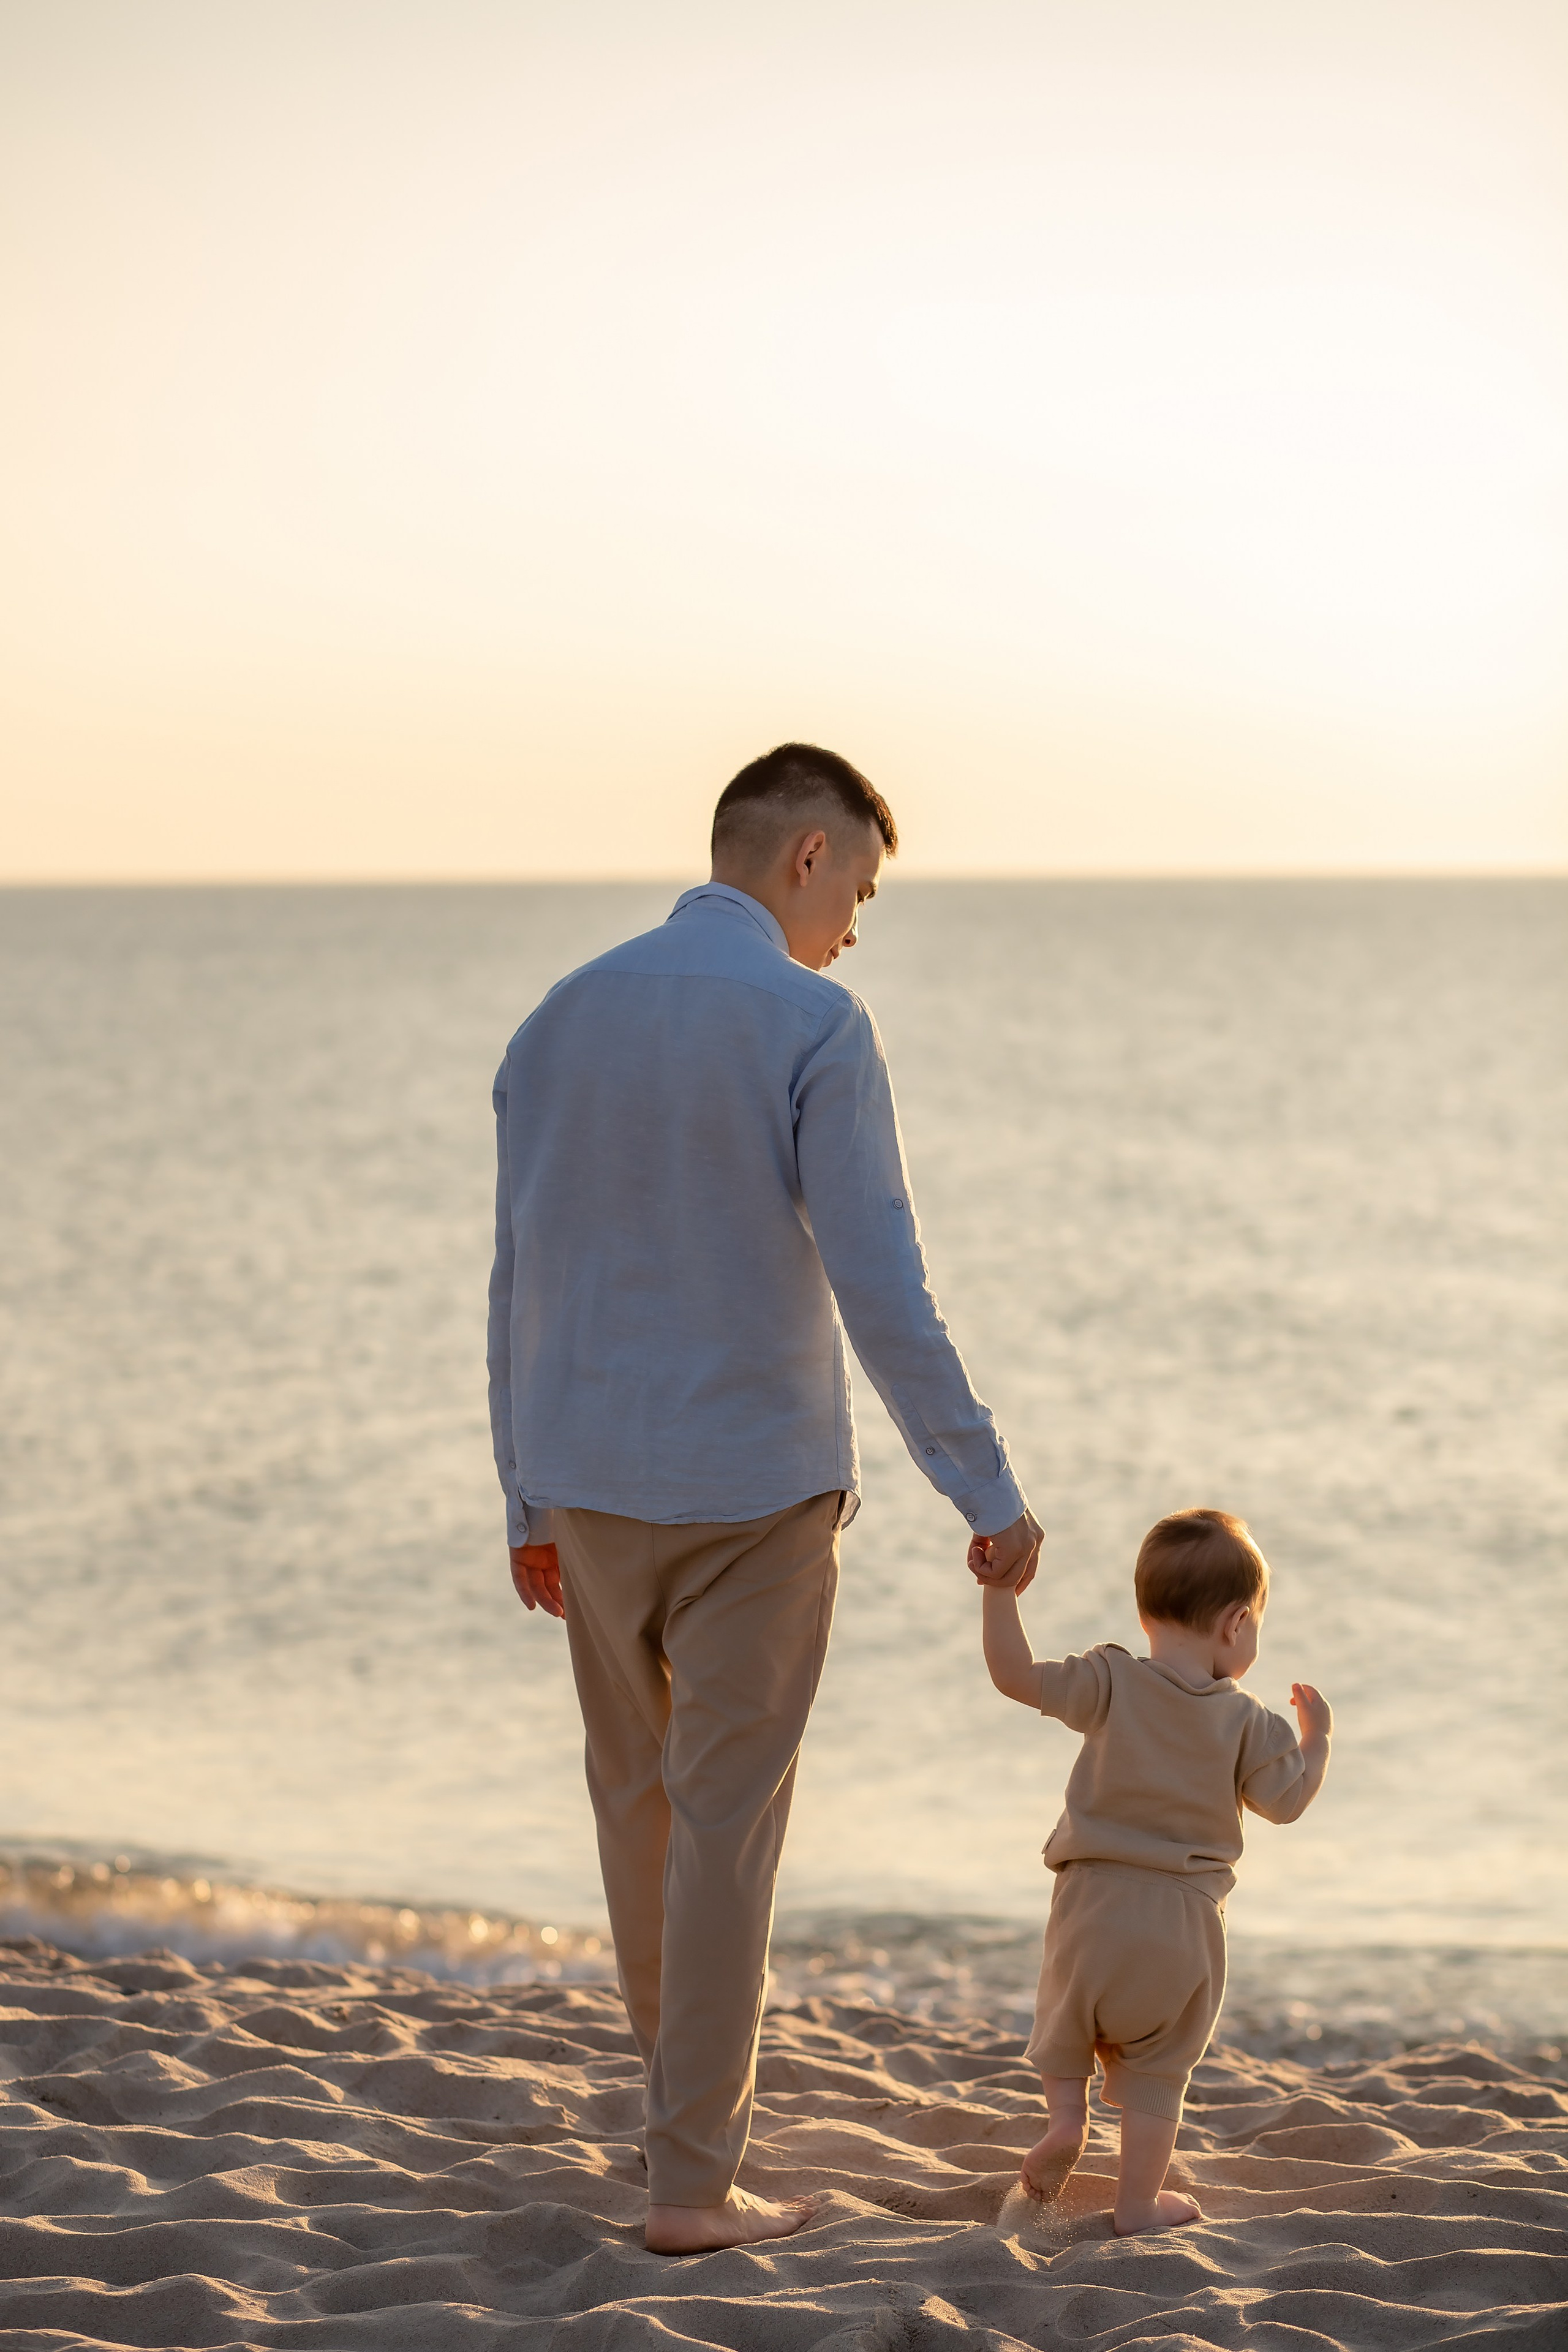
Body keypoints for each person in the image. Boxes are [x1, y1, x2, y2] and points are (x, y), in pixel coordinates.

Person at [488, 742, 1041, 2254]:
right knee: (724, 1827)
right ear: (806, 857)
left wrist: (522, 1492)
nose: (855, 921)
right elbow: (881, 1281)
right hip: (752, 1491)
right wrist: (980, 1485)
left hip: (587, 1487)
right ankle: (687, 2184)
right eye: (857, 884)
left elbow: (517, 1270)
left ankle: (675, 2130)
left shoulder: (556, 1018)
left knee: (638, 1810)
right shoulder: (814, 1020)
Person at [978, 1505, 1332, 2235]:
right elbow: (1286, 1804)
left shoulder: (1109, 1680)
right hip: (1183, 1924)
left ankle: (1065, 2123)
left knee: (1066, 2021)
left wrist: (998, 1594)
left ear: (1145, 1615)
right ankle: (1137, 2203)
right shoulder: (1251, 1723)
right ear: (1236, 1624)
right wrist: (1317, 1742)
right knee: (1158, 2069)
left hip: (1090, 1906)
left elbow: (1013, 1677)